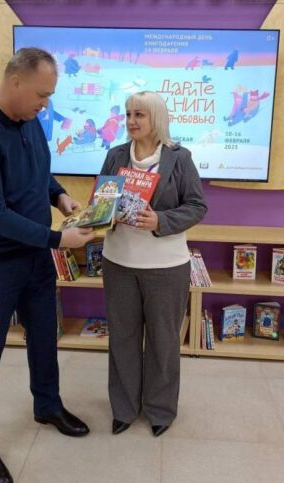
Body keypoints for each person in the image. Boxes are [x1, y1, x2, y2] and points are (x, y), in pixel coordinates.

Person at [0, 48, 96, 483]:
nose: (45, 105)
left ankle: (47, 405)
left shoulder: (29, 120)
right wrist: (58, 240)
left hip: (34, 259)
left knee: (45, 337)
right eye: (41, 95)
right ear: (15, 81)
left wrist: (60, 196)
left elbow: (39, 174)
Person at [99, 91, 207, 437]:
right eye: (128, 114)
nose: (131, 121)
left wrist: (160, 220)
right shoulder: (115, 155)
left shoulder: (180, 158)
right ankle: (124, 409)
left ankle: (160, 410)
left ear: (156, 118)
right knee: (123, 339)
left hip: (166, 266)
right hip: (119, 262)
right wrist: (101, 214)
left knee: (163, 341)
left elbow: (196, 206)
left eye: (139, 115)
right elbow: (102, 202)